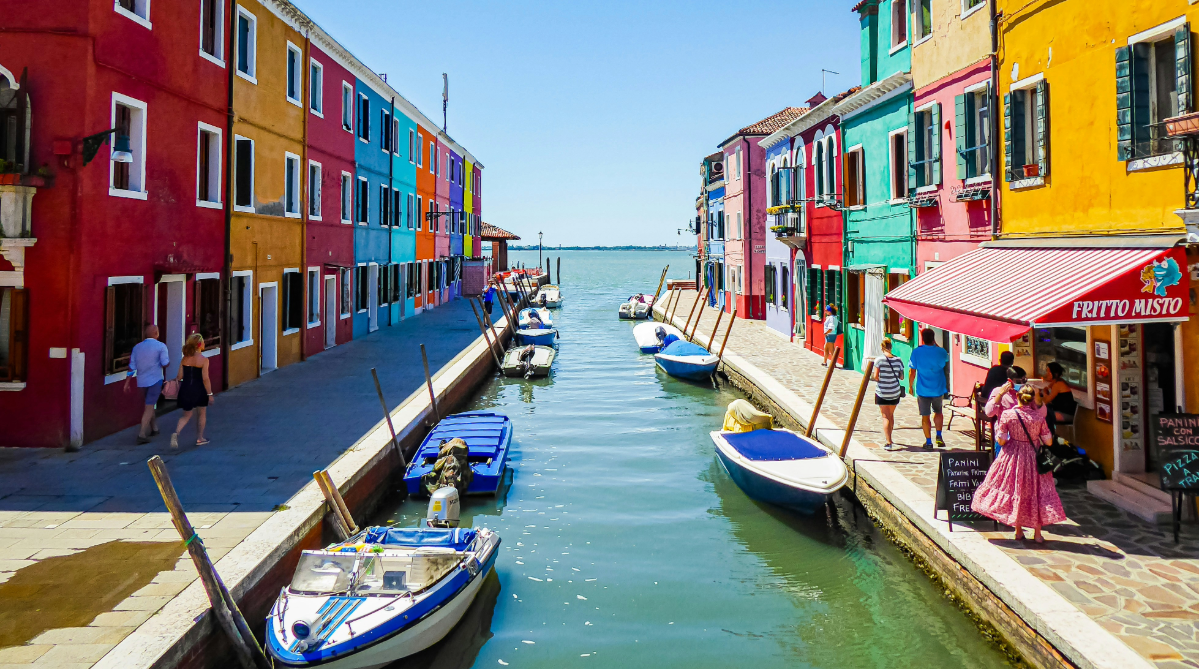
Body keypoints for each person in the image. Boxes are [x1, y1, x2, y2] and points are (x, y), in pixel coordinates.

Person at [971, 385, 1066, 543]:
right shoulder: (1038, 418)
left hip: (1013, 457)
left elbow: (1001, 439)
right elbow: (1048, 441)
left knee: (1017, 490)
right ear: (1032, 399)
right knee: (1036, 492)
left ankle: (1018, 531)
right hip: (1034, 457)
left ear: (1019, 398)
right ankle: (1037, 534)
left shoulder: (1008, 415)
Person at [123, 324, 170, 444]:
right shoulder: (161, 346)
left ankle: (154, 428)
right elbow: (165, 363)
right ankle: (142, 433)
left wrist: (127, 383)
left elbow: (132, 366)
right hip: (155, 380)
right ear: (156, 333)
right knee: (149, 406)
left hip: (142, 381)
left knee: (150, 404)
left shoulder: (137, 347)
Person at [908, 328, 950, 449]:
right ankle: (939, 435)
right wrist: (935, 345)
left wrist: (910, 385)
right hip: (938, 388)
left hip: (922, 390)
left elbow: (912, 371)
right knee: (938, 412)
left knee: (925, 416)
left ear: (922, 338)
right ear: (933, 338)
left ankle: (928, 442)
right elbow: (945, 360)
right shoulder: (941, 352)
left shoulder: (916, 352)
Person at [170, 333, 214, 448]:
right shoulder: (204, 360)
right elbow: (205, 378)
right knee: (202, 414)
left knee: (186, 415)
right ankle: (200, 438)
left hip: (186, 389)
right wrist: (210, 394)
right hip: (199, 390)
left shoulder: (185, 359)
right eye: (203, 341)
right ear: (199, 344)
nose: (204, 343)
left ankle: (176, 433)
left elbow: (179, 377)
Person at [871, 338, 905, 451]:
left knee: (885, 416)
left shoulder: (879, 360)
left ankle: (889, 442)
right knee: (890, 415)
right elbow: (901, 377)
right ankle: (890, 437)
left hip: (882, 392)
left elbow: (876, 377)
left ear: (882, 347)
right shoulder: (898, 360)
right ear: (891, 347)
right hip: (895, 392)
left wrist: (882, 379)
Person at [1040, 362, 1078, 435]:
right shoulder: (1055, 382)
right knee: (1044, 410)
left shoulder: (1058, 384)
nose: (1047, 374)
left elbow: (1046, 400)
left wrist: (1044, 392)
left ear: (1054, 373)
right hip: (1059, 411)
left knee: (1043, 413)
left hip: (1065, 414)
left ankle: (1049, 437)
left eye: (1049, 372)